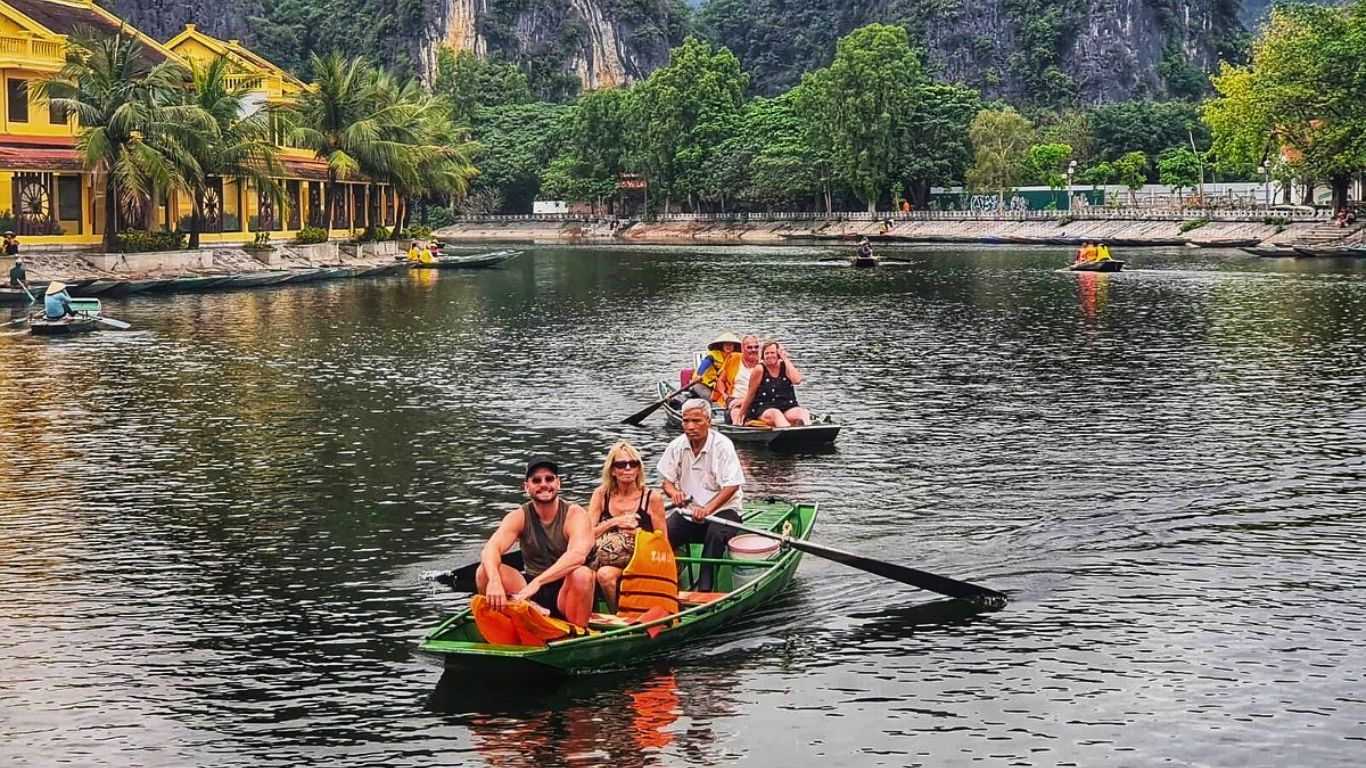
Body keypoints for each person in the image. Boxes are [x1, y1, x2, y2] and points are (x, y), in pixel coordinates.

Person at [476, 455, 596, 627]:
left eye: (549, 479)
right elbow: (491, 548)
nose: (544, 484)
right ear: (527, 487)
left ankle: (575, 631)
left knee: (582, 574)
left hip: (565, 590)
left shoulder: (575, 514)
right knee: (484, 571)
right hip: (529, 589)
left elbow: (577, 556)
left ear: (558, 483)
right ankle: (520, 616)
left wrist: (538, 583)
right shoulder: (519, 516)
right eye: (536, 480)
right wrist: (494, 581)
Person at [659, 399, 746, 593]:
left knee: (714, 535)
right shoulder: (676, 446)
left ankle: (705, 589)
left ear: (709, 421)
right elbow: (666, 482)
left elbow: (732, 485)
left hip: (723, 512)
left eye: (696, 421)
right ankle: (665, 582)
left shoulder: (723, 446)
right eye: (686, 421)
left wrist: (707, 509)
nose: (690, 427)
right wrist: (675, 494)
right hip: (689, 513)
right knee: (660, 535)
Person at [587, 441, 668, 612]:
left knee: (604, 575)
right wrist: (614, 522)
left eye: (633, 464)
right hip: (607, 556)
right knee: (593, 573)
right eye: (621, 465)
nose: (628, 468)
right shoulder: (601, 495)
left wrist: (638, 533)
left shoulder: (652, 497)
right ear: (613, 470)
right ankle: (604, 613)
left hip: (641, 557)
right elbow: (586, 535)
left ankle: (620, 613)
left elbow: (662, 541)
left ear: (639, 469)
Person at [736, 341, 811, 428]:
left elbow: (797, 380)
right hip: (764, 409)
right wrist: (741, 413)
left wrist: (785, 359)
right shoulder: (760, 369)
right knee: (776, 414)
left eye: (772, 353)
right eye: (767, 353)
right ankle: (788, 435)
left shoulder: (785, 366)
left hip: (786, 406)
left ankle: (808, 432)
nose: (770, 356)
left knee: (803, 412)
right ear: (763, 356)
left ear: (778, 354)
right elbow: (750, 394)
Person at [682, 332, 741, 402]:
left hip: (719, 386)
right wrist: (699, 375)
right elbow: (704, 365)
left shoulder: (735, 356)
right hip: (702, 384)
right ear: (722, 346)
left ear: (734, 346)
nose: (728, 347)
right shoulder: (712, 356)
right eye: (726, 344)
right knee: (711, 399)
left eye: (730, 344)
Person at [725, 335, 762, 426]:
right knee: (735, 410)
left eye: (756, 347)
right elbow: (721, 381)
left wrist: (744, 400)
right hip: (736, 399)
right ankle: (738, 427)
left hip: (757, 401)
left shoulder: (764, 364)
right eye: (749, 347)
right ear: (742, 348)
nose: (753, 350)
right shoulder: (734, 359)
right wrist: (725, 396)